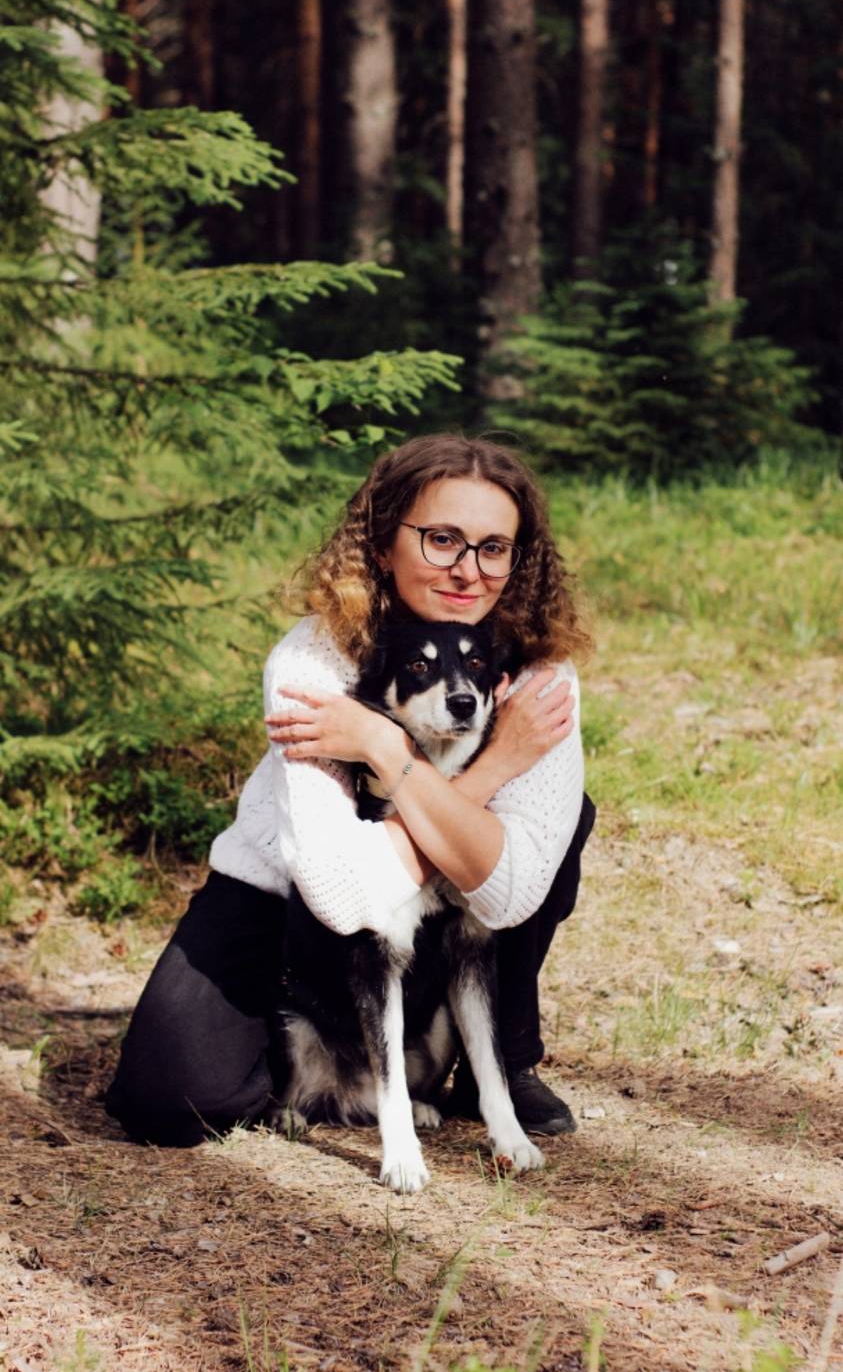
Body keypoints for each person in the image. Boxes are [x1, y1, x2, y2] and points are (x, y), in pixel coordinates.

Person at [106, 435, 595, 1148]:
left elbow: (509, 894)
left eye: (493, 548)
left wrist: (397, 753)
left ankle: (501, 1059)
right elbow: (338, 898)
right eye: (441, 539)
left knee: (555, 821)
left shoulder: (538, 673)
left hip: (451, 907)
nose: (468, 570)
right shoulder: (314, 660)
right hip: (287, 894)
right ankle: (312, 1062)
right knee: (169, 1101)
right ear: (383, 543)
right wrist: (432, 767)